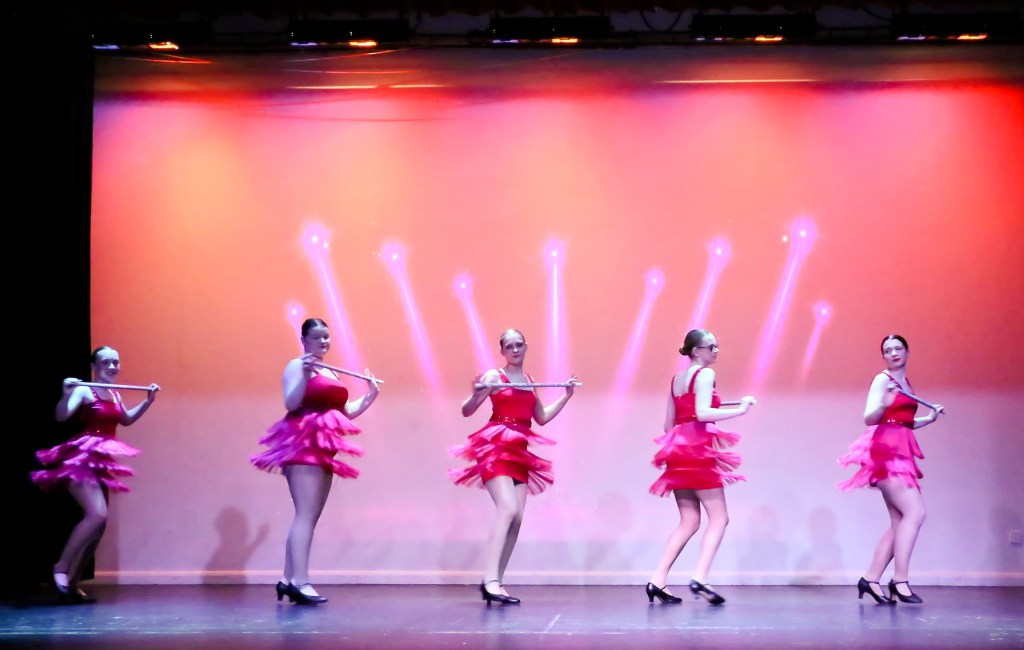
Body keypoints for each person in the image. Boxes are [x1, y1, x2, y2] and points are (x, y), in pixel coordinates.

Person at [250, 318, 379, 606]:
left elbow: (344, 412)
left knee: (309, 516)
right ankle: (300, 582)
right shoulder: (297, 365)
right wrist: (305, 375)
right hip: (303, 444)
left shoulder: (329, 370)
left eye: (326, 337)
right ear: (304, 340)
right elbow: (291, 402)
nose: (323, 341)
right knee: (305, 515)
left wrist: (371, 394)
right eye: (317, 337)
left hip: (325, 448)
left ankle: (287, 579)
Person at [448, 328, 579, 605]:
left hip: (519, 452)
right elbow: (467, 410)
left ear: (526, 346)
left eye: (519, 344)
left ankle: (497, 580)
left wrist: (566, 396)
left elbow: (541, 417)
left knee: (517, 518)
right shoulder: (495, 376)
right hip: (495, 446)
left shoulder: (529, 380)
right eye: (509, 346)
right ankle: (489, 581)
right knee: (507, 508)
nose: (515, 349)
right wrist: (475, 393)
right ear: (502, 351)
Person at [31, 346, 160, 603]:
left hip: (102, 462)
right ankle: (61, 566)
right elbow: (61, 416)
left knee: (99, 527)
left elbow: (125, 420)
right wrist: (65, 394)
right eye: (106, 362)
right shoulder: (84, 389)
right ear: (94, 366)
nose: (112, 367)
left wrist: (148, 401)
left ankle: (73, 585)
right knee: (97, 514)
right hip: (81, 459)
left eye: (115, 362)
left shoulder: (114, 394)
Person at [646, 329, 755, 606]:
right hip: (697, 449)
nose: (716, 351)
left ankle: (657, 580)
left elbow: (668, 425)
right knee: (719, 518)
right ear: (696, 351)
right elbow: (704, 413)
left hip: (678, 451)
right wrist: (741, 409)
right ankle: (701, 577)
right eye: (711, 346)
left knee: (689, 520)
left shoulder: (676, 380)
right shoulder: (705, 375)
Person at [837, 334, 944, 605]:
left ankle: (871, 578)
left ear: (907, 351)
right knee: (915, 513)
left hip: (901, 448)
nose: (893, 353)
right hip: (886, 450)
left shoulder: (905, 383)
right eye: (887, 350)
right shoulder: (882, 380)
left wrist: (928, 419)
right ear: (883, 355)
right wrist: (883, 404)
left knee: (900, 521)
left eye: (898, 348)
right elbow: (870, 418)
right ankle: (900, 580)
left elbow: (902, 422)